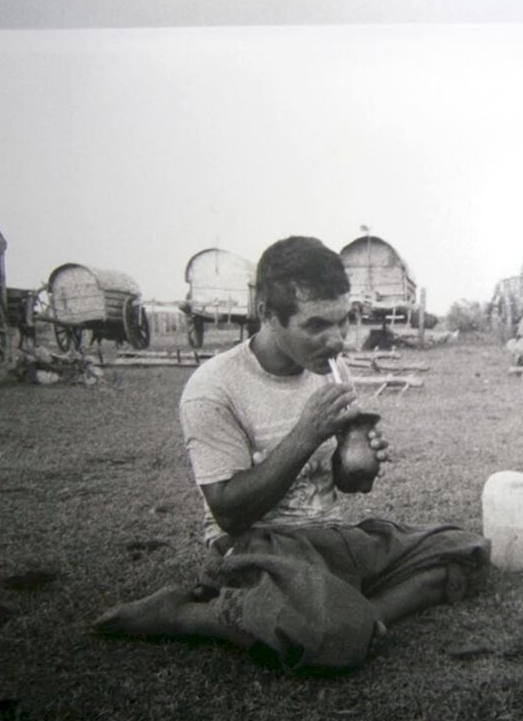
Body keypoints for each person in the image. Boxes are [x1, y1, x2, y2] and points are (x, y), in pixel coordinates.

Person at [95, 237, 490, 673]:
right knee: (326, 636)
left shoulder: (327, 371)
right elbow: (229, 512)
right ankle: (189, 614)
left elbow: (348, 485)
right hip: (262, 545)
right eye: (317, 325)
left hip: (331, 540)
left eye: (342, 321)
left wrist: (356, 461)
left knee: (465, 550)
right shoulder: (213, 389)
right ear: (266, 314)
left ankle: (360, 614)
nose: (337, 340)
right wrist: (306, 434)